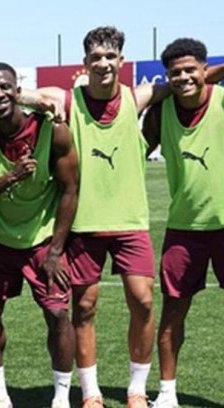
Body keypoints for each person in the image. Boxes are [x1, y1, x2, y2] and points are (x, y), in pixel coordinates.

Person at [0, 26, 181, 408]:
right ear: (85, 62)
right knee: (80, 308)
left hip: (122, 224)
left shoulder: (135, 97)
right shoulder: (64, 101)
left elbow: (185, 80)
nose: (104, 64)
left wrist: (207, 73)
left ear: (121, 61)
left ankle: (134, 390)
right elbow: (6, 93)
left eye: (111, 57)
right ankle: (85, 393)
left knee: (139, 302)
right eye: (96, 58)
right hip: (77, 226)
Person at [0, 62, 78, 408]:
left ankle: (61, 397)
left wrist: (55, 251)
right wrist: (10, 178)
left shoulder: (52, 130)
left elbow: (70, 190)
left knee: (58, 315)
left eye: (4, 87)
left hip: (43, 240)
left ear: (18, 91)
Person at [141, 38, 224, 408]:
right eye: (176, 72)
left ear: (206, 70)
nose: (184, 77)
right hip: (183, 231)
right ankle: (167, 393)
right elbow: (135, 155)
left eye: (191, 70)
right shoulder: (160, 114)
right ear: (167, 76)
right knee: (173, 314)